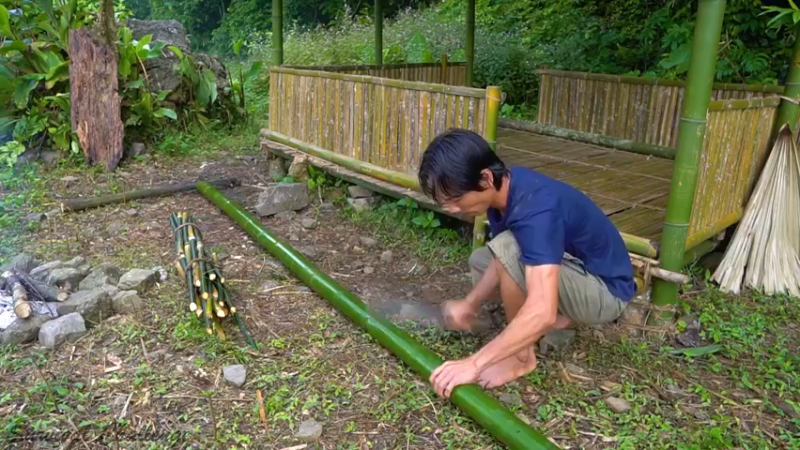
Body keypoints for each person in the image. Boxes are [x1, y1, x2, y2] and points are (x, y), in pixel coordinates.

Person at [417, 129, 636, 399]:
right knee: (482, 260)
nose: (451, 209)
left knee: (511, 248)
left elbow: (515, 262)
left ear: (485, 178)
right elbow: (500, 260)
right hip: (575, 270)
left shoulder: (536, 209)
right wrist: (470, 303)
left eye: (456, 200)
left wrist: (473, 364)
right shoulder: (508, 188)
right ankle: (552, 318)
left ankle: (521, 357)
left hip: (605, 293)